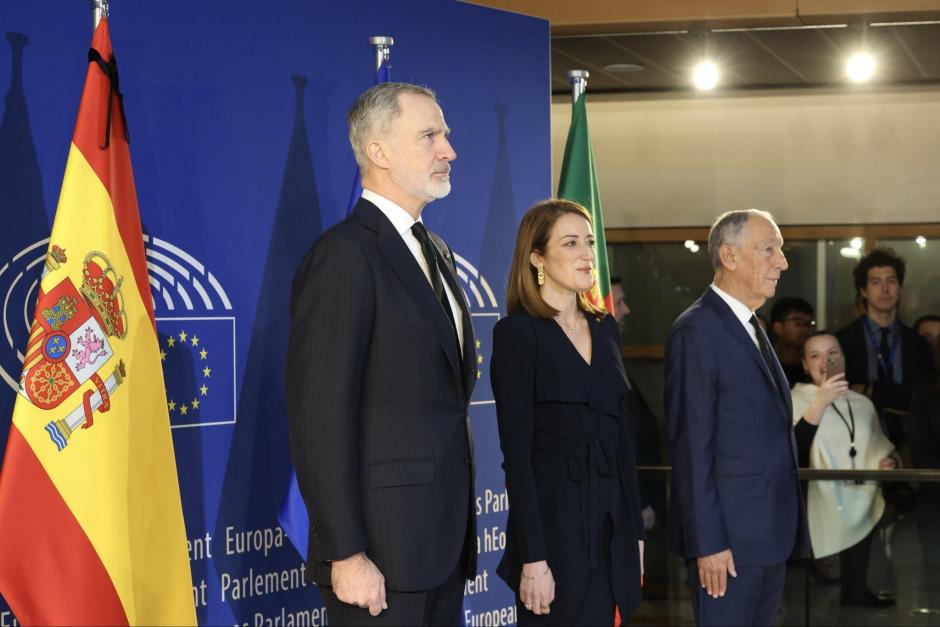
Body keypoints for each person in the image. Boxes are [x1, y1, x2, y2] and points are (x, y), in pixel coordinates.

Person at [285, 82, 478, 625]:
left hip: (441, 550)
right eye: (430, 135)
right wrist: (346, 553)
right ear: (379, 152)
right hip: (378, 556)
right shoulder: (344, 257)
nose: (449, 150)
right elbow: (319, 416)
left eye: (446, 134)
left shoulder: (434, 249)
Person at [491, 199, 645, 625]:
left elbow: (621, 440)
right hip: (554, 533)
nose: (586, 254)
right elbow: (518, 461)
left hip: (613, 528)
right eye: (571, 243)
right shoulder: (518, 335)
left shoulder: (605, 327)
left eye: (590, 243)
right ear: (537, 257)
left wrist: (635, 532)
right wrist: (534, 560)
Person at [665, 209, 809, 626]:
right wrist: (708, 543)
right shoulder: (697, 331)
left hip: (765, 537)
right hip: (727, 547)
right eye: (769, 250)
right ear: (728, 256)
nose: (781, 262)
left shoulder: (750, 324)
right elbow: (692, 447)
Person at [791, 332, 897, 607]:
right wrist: (822, 401)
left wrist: (888, 463)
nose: (826, 361)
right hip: (816, 492)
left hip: (860, 489)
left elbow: (879, 445)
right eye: (815, 356)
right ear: (804, 364)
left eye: (832, 354)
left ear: (844, 359)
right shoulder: (796, 398)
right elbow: (794, 448)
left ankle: (856, 589)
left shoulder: (862, 403)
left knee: (862, 535)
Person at [836, 248, 936, 446]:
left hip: (913, 440)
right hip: (855, 437)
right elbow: (841, 394)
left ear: (900, 289)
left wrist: (870, 390)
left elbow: (921, 397)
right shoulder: (842, 341)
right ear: (863, 290)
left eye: (891, 281)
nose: (885, 289)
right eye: (875, 282)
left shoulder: (918, 343)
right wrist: (895, 395)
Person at [770, 297, 815, 388]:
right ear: (777, 327)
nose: (806, 329)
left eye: (809, 324)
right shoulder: (766, 363)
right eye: (798, 323)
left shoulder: (813, 365)